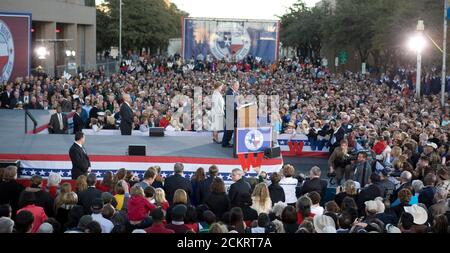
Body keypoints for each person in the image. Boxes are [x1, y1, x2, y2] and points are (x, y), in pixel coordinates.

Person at [221, 81, 240, 148]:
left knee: (229, 129)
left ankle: (225, 142)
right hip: (230, 113)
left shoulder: (234, 93)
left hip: (233, 113)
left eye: (238, 85)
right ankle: (225, 143)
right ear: (233, 86)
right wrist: (237, 107)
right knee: (229, 129)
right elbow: (230, 104)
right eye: (237, 85)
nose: (238, 87)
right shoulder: (229, 92)